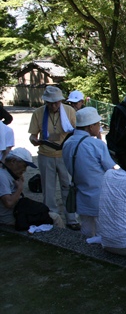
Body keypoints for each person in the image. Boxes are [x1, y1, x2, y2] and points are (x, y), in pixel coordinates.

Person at [28, 86, 79, 230]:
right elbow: (33, 135)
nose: (53, 105)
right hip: (46, 154)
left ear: (61, 100)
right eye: (50, 103)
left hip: (64, 154)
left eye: (56, 102)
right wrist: (34, 140)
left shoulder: (69, 111)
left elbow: (76, 130)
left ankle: (71, 218)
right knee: (48, 188)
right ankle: (52, 216)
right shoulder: (38, 113)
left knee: (67, 186)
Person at [62, 107, 116, 238]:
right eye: (98, 124)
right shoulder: (96, 144)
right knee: (103, 232)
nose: (99, 127)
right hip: (99, 195)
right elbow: (111, 169)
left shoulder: (67, 143)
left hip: (80, 193)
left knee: (86, 230)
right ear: (91, 126)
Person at [0, 148, 63, 228]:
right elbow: (9, 203)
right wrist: (19, 188)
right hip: (9, 217)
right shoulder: (2, 176)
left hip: (16, 211)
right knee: (55, 218)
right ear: (13, 161)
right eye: (24, 166)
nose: (25, 170)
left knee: (44, 210)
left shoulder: (6, 172)